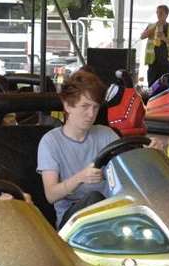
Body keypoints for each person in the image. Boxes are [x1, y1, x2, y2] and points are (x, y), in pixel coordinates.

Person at [37, 70, 120, 229]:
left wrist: (150, 151)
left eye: (95, 108)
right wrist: (80, 177)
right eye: (85, 106)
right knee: (94, 198)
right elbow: (51, 195)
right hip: (73, 222)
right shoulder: (51, 142)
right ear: (67, 106)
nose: (91, 114)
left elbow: (130, 162)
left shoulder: (106, 134)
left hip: (111, 211)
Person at [140, 5, 169, 87]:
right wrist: (154, 27)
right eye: (157, 13)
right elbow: (142, 36)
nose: (158, 15)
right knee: (152, 88)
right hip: (153, 64)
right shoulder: (151, 26)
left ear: (166, 15)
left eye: (161, 13)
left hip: (167, 64)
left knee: (168, 88)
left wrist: (164, 38)